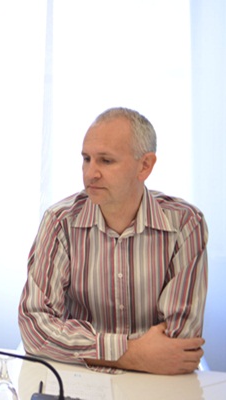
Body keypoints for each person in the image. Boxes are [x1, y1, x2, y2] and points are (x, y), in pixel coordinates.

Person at [18, 107, 208, 375]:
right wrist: (133, 354)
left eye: (106, 161)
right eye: (86, 159)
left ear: (145, 166)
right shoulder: (59, 220)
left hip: (157, 382)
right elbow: (35, 328)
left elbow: (179, 341)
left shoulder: (185, 224)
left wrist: (85, 346)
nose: (90, 173)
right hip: (80, 379)